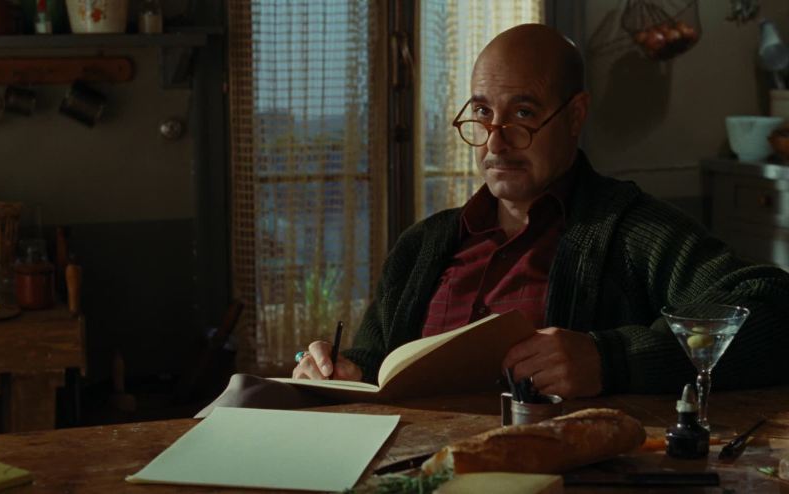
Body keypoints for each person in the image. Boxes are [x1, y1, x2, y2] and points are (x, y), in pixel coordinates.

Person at [198, 23, 789, 417]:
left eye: (523, 113)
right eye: (482, 113)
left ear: (576, 115)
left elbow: (775, 314)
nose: (495, 141)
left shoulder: (632, 231)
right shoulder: (422, 245)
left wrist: (610, 359)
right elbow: (378, 368)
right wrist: (341, 371)